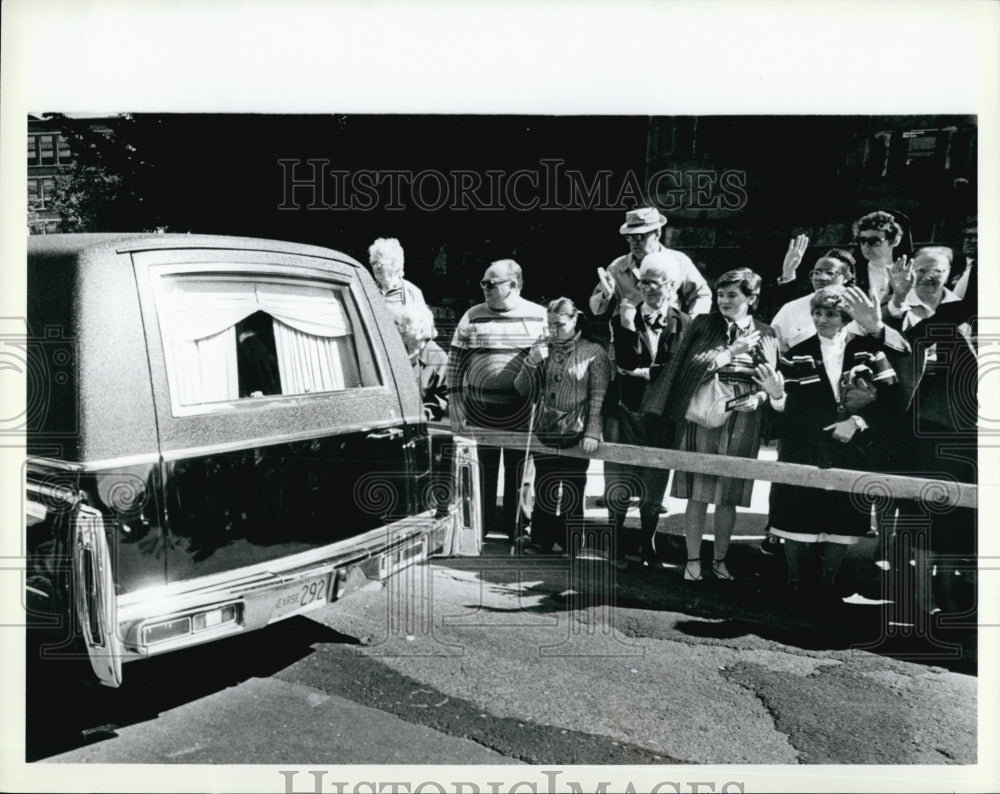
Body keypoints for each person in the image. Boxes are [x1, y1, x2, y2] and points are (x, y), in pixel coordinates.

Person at [642, 268, 782, 582]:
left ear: (751, 298)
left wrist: (758, 398)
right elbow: (689, 368)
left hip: (744, 416)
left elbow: (771, 377)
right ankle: (692, 560)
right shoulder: (704, 324)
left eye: (733, 295)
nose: (724, 301)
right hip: (702, 411)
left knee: (729, 494)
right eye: (720, 294)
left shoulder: (766, 332)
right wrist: (730, 352)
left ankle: (720, 561)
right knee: (698, 492)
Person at [769, 286, 901, 607]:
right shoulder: (797, 353)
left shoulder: (868, 350)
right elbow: (789, 406)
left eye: (830, 314)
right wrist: (776, 395)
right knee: (796, 514)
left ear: (845, 317)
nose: (822, 319)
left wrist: (856, 423)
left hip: (852, 448)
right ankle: (794, 581)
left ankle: (828, 583)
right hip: (805, 446)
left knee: (842, 518)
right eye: (817, 313)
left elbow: (891, 397)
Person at [882, 247, 977, 619]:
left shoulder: (966, 309)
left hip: (973, 433)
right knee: (924, 512)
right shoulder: (913, 308)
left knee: (962, 517)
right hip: (927, 429)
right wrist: (897, 298)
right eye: (920, 269)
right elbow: (893, 340)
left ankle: (951, 593)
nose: (926, 276)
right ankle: (922, 596)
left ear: (950, 272)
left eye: (935, 270)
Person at [602, 252, 691, 568]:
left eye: (655, 283)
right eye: (643, 283)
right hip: (625, 409)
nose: (647, 288)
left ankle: (648, 545)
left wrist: (645, 372)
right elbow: (625, 363)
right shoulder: (623, 318)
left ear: (671, 286)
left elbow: (678, 369)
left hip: (663, 414)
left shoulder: (685, 322)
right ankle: (614, 545)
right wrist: (628, 327)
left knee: (655, 483)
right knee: (620, 481)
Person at [447, 259, 547, 539]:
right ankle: (480, 527)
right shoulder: (472, 315)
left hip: (522, 408)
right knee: (481, 472)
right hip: (479, 409)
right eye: (483, 283)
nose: (485, 288)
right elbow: (455, 361)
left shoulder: (539, 317)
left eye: (491, 284)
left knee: (520, 473)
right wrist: (455, 404)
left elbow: (551, 363)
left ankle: (518, 528)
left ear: (513, 284)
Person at [513, 298, 610, 555]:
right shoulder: (543, 347)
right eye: (550, 325)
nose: (554, 330)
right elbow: (522, 388)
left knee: (573, 488)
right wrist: (531, 361)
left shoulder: (594, 352)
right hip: (545, 429)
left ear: (575, 320)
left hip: (576, 431)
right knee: (544, 485)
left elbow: (598, 397)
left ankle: (571, 543)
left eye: (560, 325)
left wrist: (593, 431)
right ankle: (540, 540)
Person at [589, 206, 712, 326]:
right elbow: (596, 310)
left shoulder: (678, 261)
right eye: (629, 237)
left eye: (639, 236)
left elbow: (701, 294)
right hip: (629, 335)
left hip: (668, 333)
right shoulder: (617, 268)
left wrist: (692, 325)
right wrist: (605, 295)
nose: (634, 242)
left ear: (658, 233)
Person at [771, 245, 857, 351]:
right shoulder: (792, 308)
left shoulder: (859, 309)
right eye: (816, 272)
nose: (820, 278)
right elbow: (773, 344)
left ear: (847, 277)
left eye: (829, 273)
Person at [390, 302, 448, 421]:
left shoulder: (439, 358)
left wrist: (417, 417)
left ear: (421, 331)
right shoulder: (394, 348)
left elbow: (440, 400)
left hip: (417, 423)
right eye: (399, 325)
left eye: (404, 326)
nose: (399, 330)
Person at [851, 210, 908, 304]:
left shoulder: (905, 274)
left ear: (895, 241)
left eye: (874, 241)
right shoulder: (852, 274)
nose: (866, 246)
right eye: (862, 241)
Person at [368, 237, 428, 310]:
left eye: (380, 263)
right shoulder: (367, 289)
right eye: (373, 263)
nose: (375, 267)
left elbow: (422, 317)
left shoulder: (412, 292)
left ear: (394, 264)